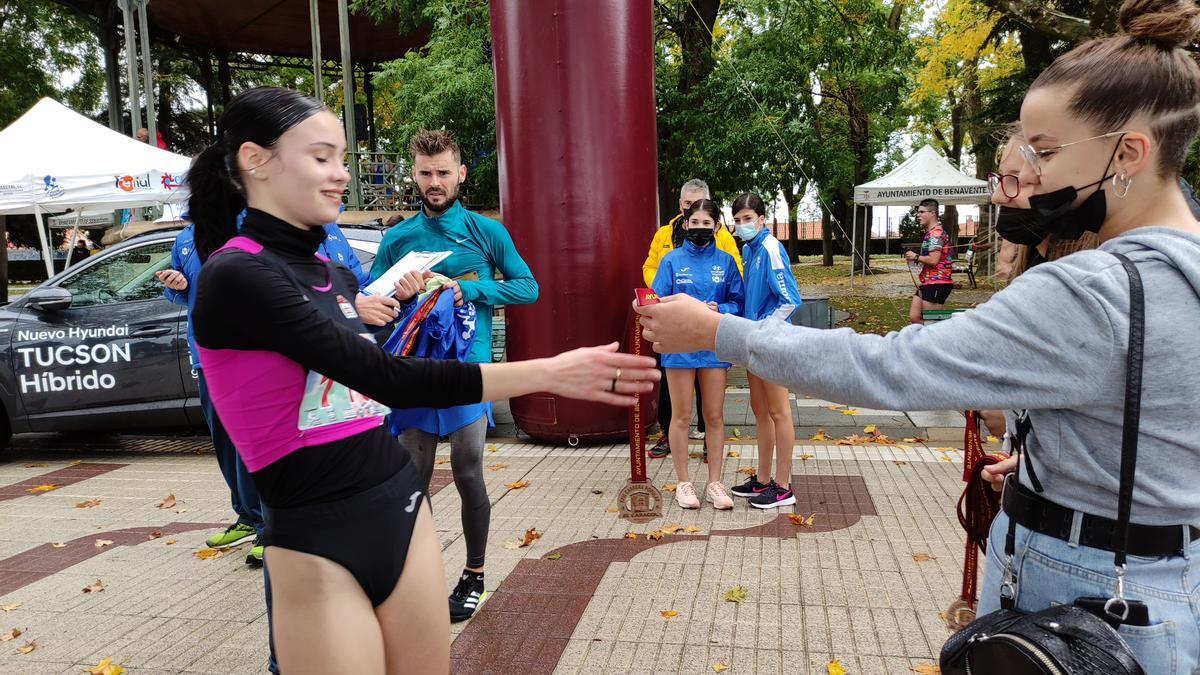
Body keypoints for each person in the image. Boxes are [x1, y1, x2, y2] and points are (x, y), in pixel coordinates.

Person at [638, 1, 1200, 669]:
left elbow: (893, 367)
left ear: (1129, 152)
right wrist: (1074, 454)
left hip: (1082, 593)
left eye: (1045, 152)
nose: (1027, 177)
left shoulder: (1092, 288)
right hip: (1166, 589)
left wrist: (718, 331)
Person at [185, 87, 658, 672]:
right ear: (255, 160)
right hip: (315, 535)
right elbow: (385, 375)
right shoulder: (237, 273)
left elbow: (373, 369)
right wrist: (550, 373)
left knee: (469, 471)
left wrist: (458, 296)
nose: (339, 176)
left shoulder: (333, 272)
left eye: (340, 159)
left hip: (401, 512)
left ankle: (476, 571)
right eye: (321, 157)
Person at [370, 129, 538, 623]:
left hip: (469, 370)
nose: (435, 182)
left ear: (461, 173)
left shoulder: (487, 232)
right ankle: (412, 578)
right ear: (414, 175)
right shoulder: (398, 239)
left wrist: (471, 291)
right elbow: (372, 305)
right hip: (415, 372)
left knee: (468, 472)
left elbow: (529, 287)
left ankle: (475, 576)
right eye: (425, 173)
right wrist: (397, 295)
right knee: (412, 480)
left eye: (444, 172)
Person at [651, 199, 743, 511]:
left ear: (717, 226)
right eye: (695, 223)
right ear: (685, 225)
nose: (701, 229)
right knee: (681, 416)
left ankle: (715, 483)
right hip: (679, 349)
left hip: (714, 346)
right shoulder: (670, 261)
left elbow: (737, 303)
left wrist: (722, 308)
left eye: (707, 223)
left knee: (714, 416)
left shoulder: (727, 261)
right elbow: (656, 301)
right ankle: (683, 483)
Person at [727, 193, 800, 509]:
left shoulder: (770, 248)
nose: (742, 224)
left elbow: (790, 299)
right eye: (738, 219)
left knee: (778, 411)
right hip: (753, 341)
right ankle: (762, 480)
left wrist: (764, 329)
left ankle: (783, 487)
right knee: (760, 409)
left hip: (771, 342)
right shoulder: (749, 249)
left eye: (747, 218)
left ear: (761, 219)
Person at [905, 198, 954, 324]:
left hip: (938, 281)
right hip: (928, 281)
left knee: (933, 323)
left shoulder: (936, 233)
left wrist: (915, 256)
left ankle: (953, 332)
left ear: (932, 213)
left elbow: (933, 260)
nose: (918, 215)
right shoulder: (931, 233)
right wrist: (917, 260)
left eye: (922, 212)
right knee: (915, 317)